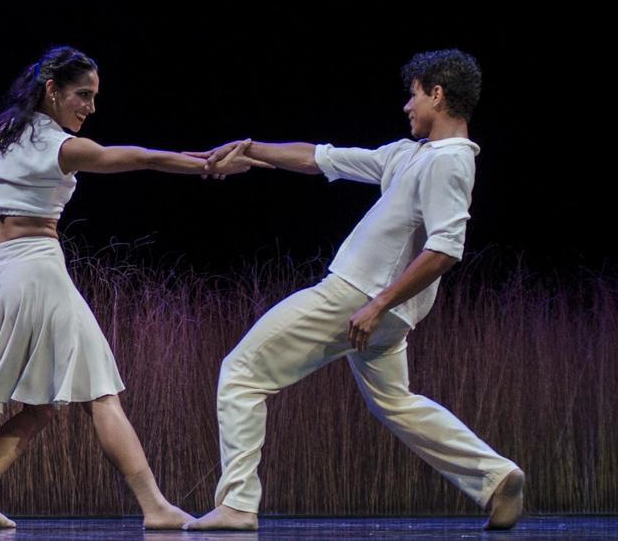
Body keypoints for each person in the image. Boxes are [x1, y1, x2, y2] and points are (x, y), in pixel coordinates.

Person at [182, 49, 524, 531]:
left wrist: (376, 304)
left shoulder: (450, 163)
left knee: (241, 373)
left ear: (437, 94)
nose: (408, 106)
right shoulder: (411, 154)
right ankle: (496, 476)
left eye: (414, 94)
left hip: (358, 296)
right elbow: (320, 157)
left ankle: (237, 505)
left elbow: (447, 249)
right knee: (397, 403)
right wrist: (252, 148)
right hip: (381, 310)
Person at [0, 45, 266, 529]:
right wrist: (206, 165)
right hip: (41, 270)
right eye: (83, 95)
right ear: (51, 91)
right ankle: (154, 505)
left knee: (41, 406)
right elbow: (139, 158)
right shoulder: (62, 147)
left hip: (4, 276)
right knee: (101, 393)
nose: (90, 108)